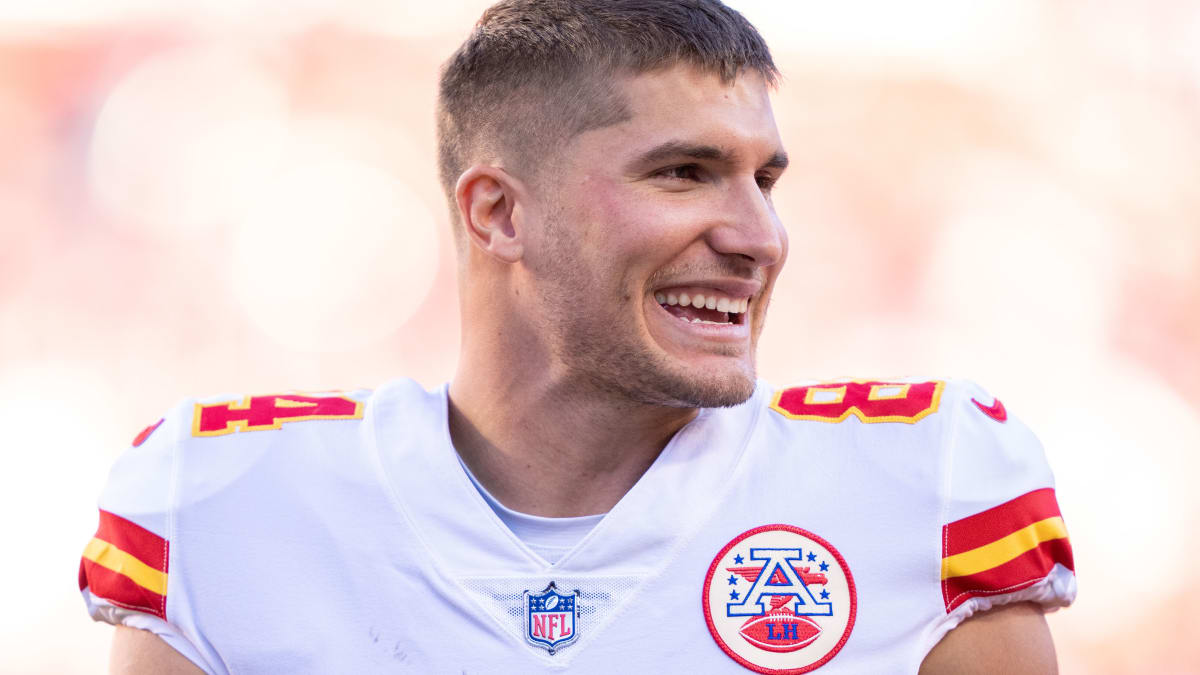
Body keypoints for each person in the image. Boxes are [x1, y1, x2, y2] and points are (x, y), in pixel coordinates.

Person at [80, 1, 1076, 673]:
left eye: (763, 180)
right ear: (498, 214)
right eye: (684, 172)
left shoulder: (924, 488)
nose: (756, 236)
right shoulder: (225, 503)